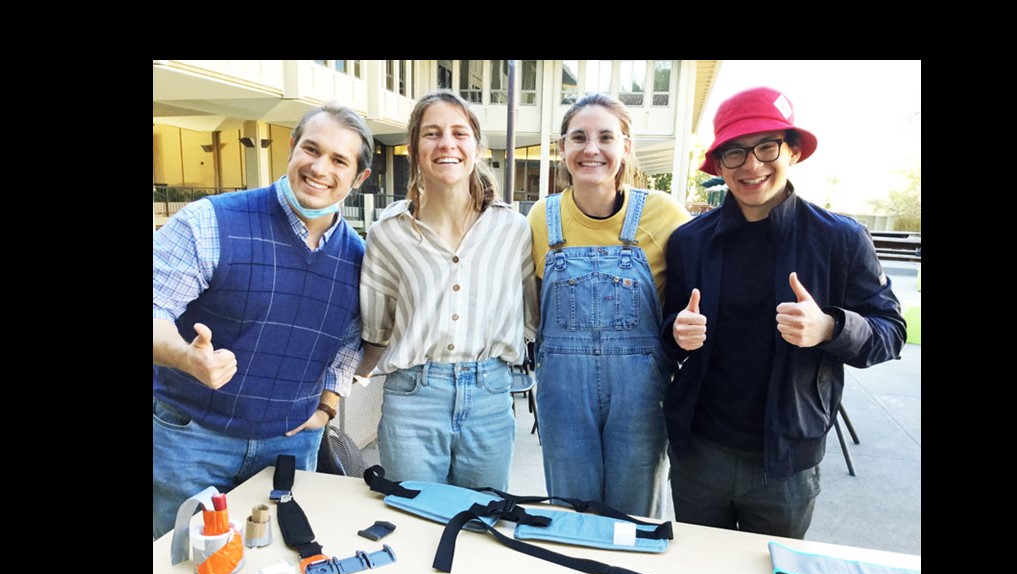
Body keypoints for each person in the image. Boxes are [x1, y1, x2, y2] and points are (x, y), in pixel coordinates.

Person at [662, 86, 905, 539]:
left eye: (766, 147)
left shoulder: (840, 239)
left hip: (787, 464)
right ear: (718, 166)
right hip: (700, 453)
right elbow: (667, 331)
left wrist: (830, 326)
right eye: (734, 153)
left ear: (791, 151)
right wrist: (676, 332)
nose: (751, 165)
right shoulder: (689, 241)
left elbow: (890, 332)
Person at [152, 103, 374, 540]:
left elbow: (350, 342)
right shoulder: (210, 221)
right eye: (311, 149)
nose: (319, 168)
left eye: (339, 160)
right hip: (192, 440)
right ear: (291, 148)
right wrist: (185, 357)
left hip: (290, 446)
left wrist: (327, 406)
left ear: (359, 178)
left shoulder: (359, 258)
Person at [360, 90, 537, 490]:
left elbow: (530, 316)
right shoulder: (387, 235)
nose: (446, 144)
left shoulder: (513, 230)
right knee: (413, 521)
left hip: (490, 395)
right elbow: (376, 330)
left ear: (477, 147)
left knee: (482, 522)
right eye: (432, 133)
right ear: (414, 148)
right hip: (413, 398)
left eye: (459, 133)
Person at [527, 93, 691, 517]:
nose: (591, 149)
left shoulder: (665, 215)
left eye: (606, 137)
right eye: (578, 137)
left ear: (626, 147)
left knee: (633, 518)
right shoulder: (542, 219)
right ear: (562, 147)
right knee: (569, 514)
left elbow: (700, 286)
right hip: (562, 390)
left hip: (641, 392)